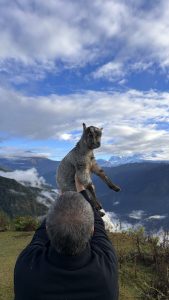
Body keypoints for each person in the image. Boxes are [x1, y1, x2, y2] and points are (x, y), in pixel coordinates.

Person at [14, 175, 119, 300]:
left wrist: (62, 199)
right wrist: (82, 190)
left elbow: (39, 235)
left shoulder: (27, 266)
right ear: (92, 231)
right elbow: (98, 224)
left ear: (48, 229)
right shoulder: (106, 268)